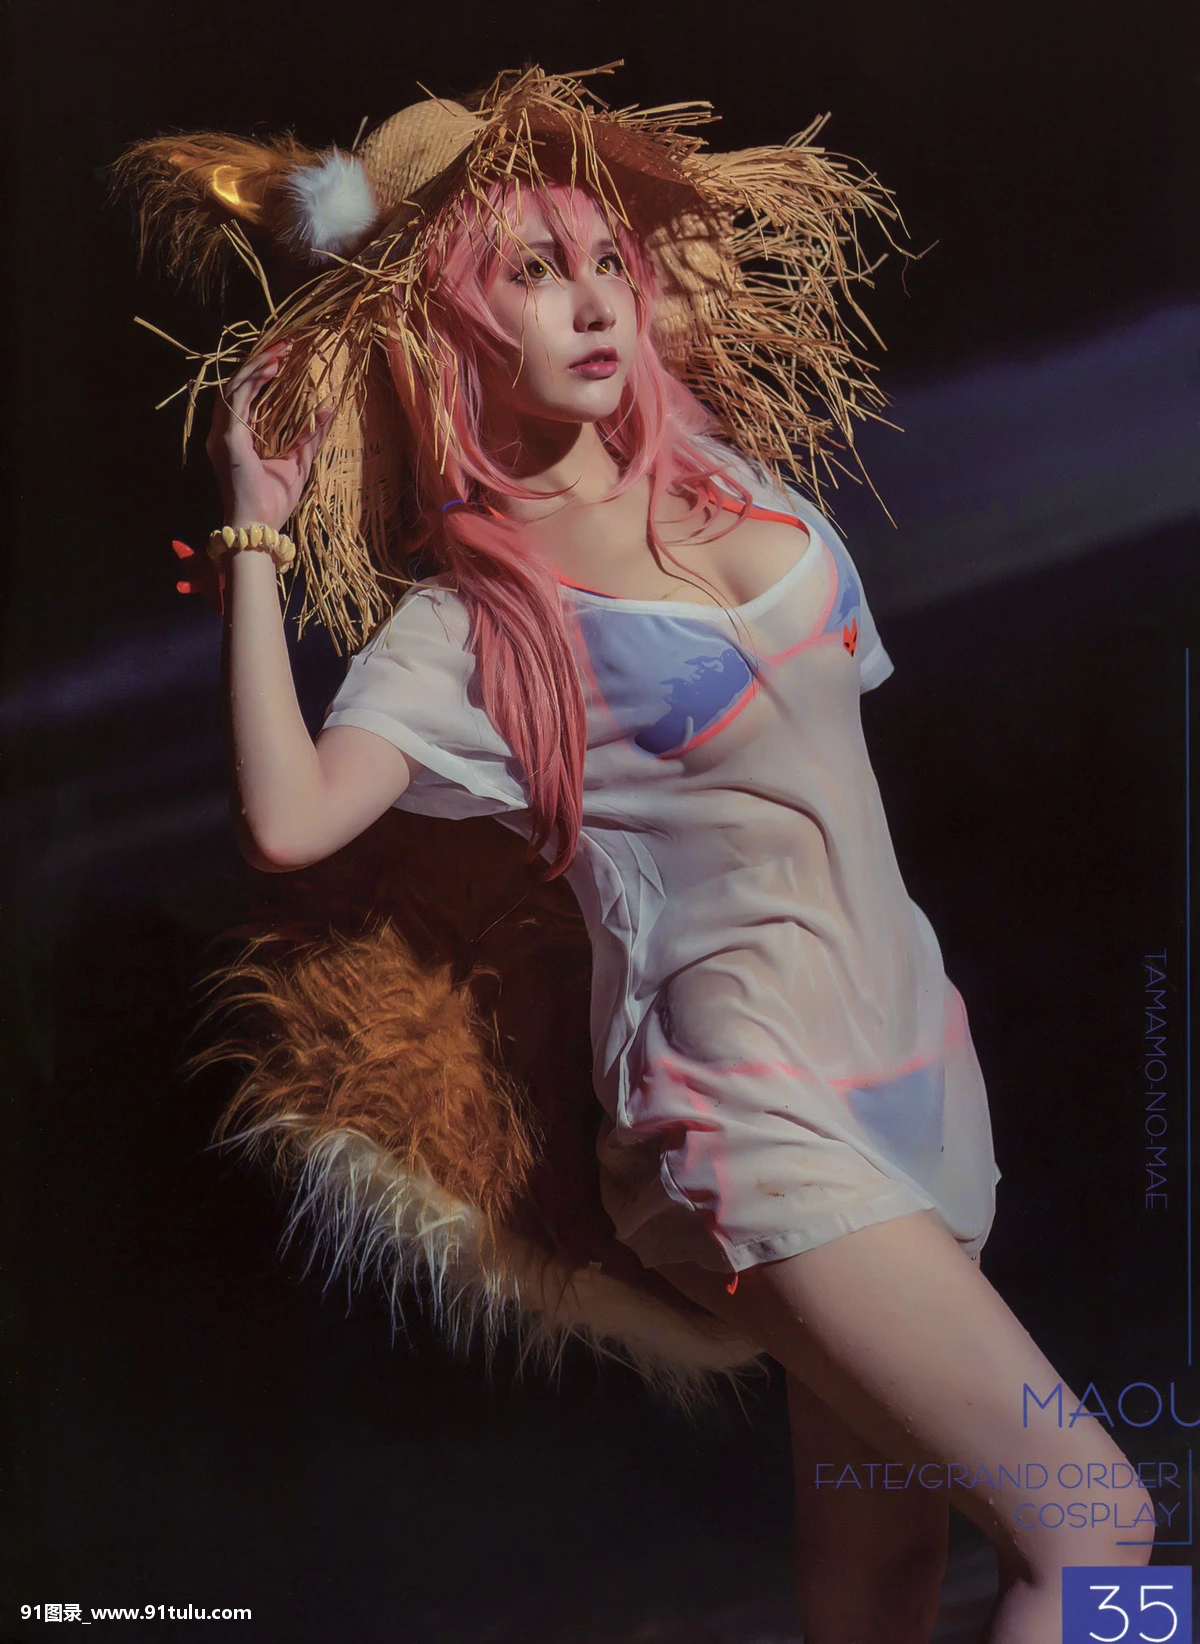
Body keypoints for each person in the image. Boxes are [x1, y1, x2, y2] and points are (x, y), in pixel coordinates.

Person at [115, 65, 1155, 1643]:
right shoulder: (468, 625)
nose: (594, 299)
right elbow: (289, 819)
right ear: (452, 321)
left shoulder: (733, 482)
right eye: (533, 272)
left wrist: (588, 223)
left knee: (878, 1588)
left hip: (917, 1077)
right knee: (1100, 1534)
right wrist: (257, 527)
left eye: (607, 262)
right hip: (748, 1115)